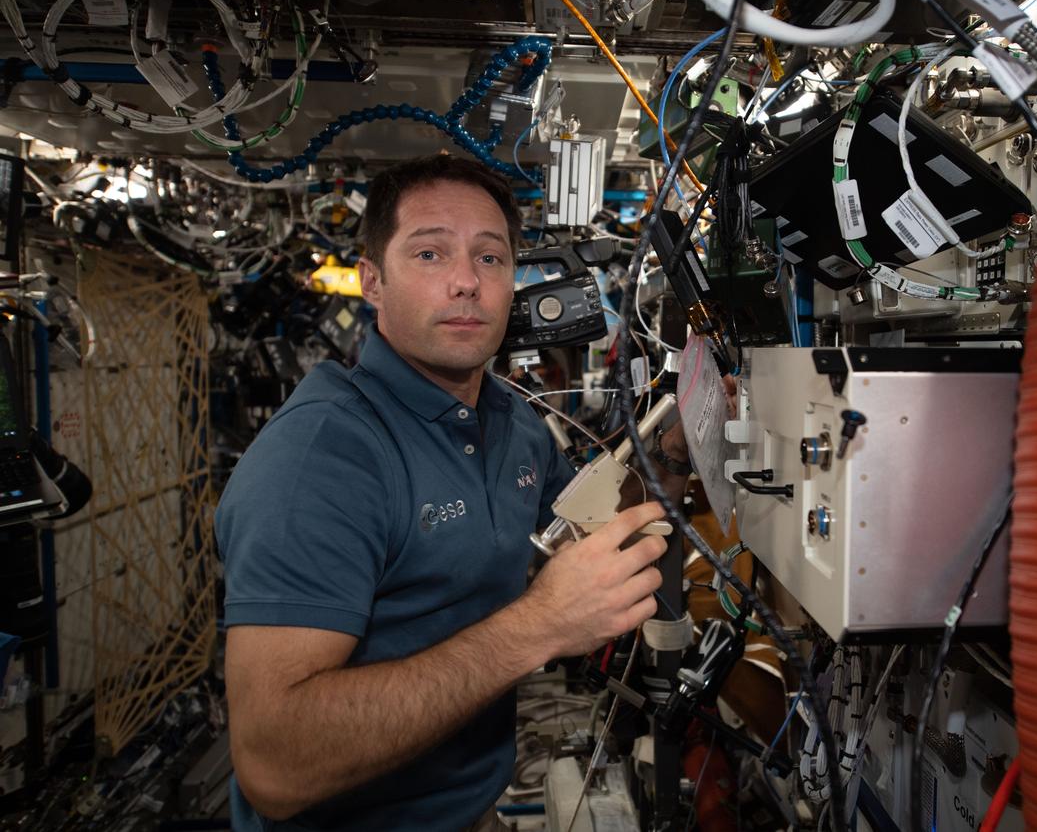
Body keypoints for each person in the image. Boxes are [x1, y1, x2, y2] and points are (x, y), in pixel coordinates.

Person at [215, 154, 694, 831]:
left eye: (491, 258)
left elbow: (593, 537)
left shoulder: (508, 420)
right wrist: (538, 626)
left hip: (474, 811)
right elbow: (274, 764)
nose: (467, 281)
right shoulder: (322, 456)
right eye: (431, 253)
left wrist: (673, 446)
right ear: (372, 281)